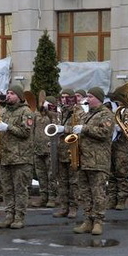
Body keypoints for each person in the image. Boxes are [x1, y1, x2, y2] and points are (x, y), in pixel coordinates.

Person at [70, 87, 113, 235]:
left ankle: (98, 222)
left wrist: (84, 128)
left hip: (98, 161)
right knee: (85, 193)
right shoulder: (87, 114)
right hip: (84, 160)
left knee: (98, 193)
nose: (87, 99)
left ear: (99, 99)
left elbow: (104, 132)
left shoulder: (106, 114)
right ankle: (87, 220)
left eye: (91, 96)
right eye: (87, 96)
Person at [0, 84, 35, 229]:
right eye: (8, 93)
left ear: (19, 96)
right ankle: (9, 215)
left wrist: (8, 127)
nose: (8, 95)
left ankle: (19, 217)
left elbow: (25, 132)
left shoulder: (26, 111)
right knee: (7, 189)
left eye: (12, 93)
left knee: (20, 189)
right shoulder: (3, 110)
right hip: (5, 156)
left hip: (20, 157)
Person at [51, 89, 80, 219]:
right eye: (62, 97)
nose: (63, 99)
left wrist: (65, 129)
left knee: (73, 182)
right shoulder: (61, 112)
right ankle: (64, 207)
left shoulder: (78, 111)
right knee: (62, 182)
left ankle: (73, 207)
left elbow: (79, 128)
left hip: (72, 151)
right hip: (61, 151)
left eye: (66, 97)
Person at [31, 95, 58, 208]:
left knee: (51, 175)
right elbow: (32, 129)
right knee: (41, 175)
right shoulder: (37, 115)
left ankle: (52, 197)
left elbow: (56, 124)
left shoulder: (55, 115)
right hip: (38, 149)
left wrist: (50, 111)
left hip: (49, 149)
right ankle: (43, 197)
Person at [107, 96, 128, 211]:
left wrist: (121, 127)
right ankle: (112, 198)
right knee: (111, 173)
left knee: (121, 172)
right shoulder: (114, 109)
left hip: (123, 146)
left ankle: (122, 198)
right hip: (112, 145)